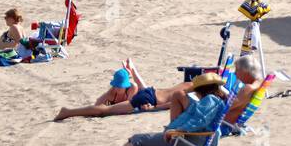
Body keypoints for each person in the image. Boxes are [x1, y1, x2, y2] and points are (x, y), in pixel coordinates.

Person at [85, 73, 228, 146]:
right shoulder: (213, 100)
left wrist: (177, 131)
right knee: (177, 97)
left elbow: (199, 120)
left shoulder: (210, 100)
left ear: (201, 89)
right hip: (199, 140)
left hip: (192, 143)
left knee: (137, 140)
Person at [54, 59, 189, 121]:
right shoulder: (193, 93)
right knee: (104, 111)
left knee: (105, 108)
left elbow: (144, 87)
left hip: (151, 92)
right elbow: (172, 103)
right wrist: (153, 108)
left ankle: (132, 68)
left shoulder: (188, 82)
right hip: (149, 98)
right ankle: (68, 112)